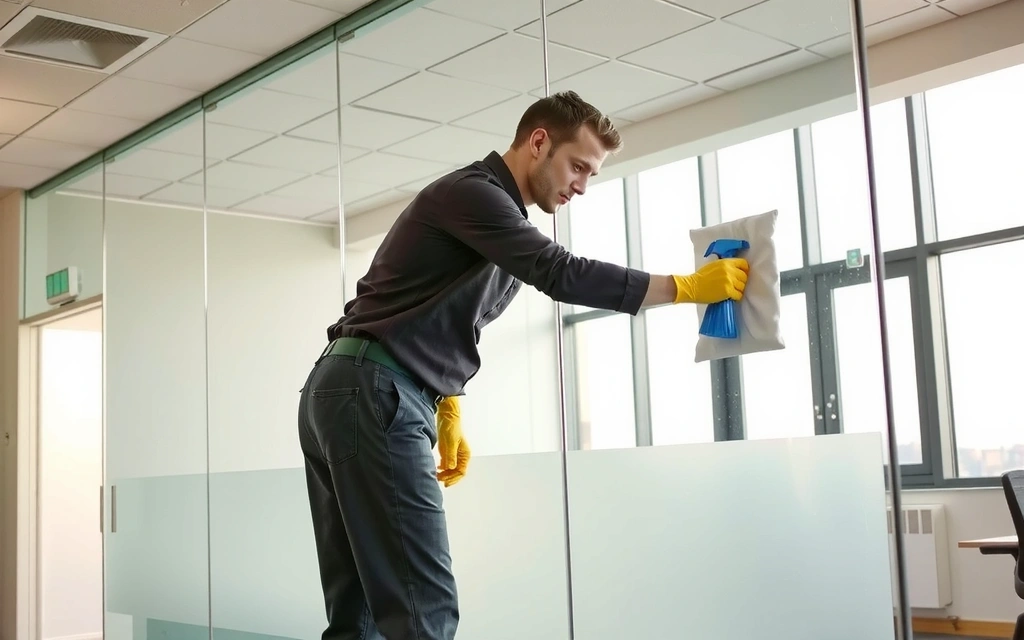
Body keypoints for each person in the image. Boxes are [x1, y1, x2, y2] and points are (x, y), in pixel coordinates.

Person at [297, 90, 749, 640]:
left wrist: (446, 402)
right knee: (422, 614)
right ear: (538, 142)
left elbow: (435, 312)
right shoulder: (475, 194)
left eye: (592, 175)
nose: (581, 186)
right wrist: (684, 287)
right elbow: (560, 273)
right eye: (577, 166)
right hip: (374, 391)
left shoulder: (490, 216)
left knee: (359, 618)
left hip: (349, 387)